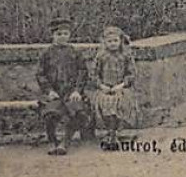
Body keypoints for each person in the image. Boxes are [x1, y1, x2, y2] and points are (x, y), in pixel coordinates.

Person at [36, 16, 89, 155]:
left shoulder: (75, 53)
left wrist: (77, 90)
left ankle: (65, 141)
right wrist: (49, 91)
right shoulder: (46, 54)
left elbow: (83, 72)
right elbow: (40, 74)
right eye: (59, 34)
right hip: (54, 92)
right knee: (50, 113)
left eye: (65, 34)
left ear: (70, 35)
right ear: (53, 35)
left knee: (77, 111)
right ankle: (52, 140)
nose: (62, 37)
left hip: (71, 92)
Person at [89, 25, 137, 145]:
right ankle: (110, 132)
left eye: (115, 41)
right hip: (105, 88)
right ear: (104, 42)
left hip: (121, 88)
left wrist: (121, 85)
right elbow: (93, 74)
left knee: (119, 102)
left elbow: (131, 74)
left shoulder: (126, 56)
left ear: (120, 41)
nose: (113, 44)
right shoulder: (101, 57)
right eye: (109, 41)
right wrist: (101, 85)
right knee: (104, 102)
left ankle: (115, 132)